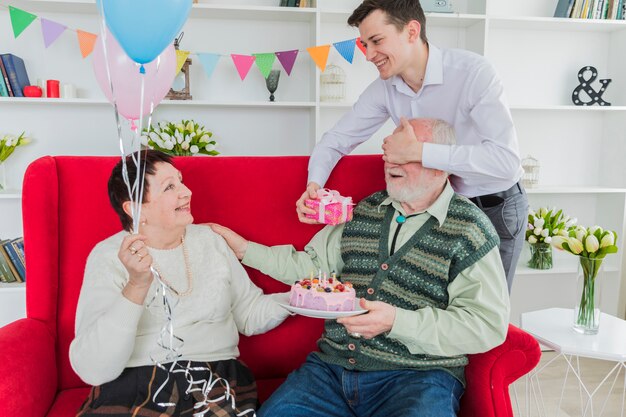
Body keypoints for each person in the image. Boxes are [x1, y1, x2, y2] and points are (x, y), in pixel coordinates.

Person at [211, 118, 510, 417]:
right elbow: (311, 268)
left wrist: (396, 321)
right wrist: (244, 249)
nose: (390, 162)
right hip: (331, 369)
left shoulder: (469, 229)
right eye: (391, 154)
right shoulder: (365, 211)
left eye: (405, 156)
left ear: (440, 164)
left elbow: (486, 324)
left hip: (418, 376)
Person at [296, 0, 527, 292]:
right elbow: (335, 140)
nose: (368, 55)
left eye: (376, 41)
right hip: (439, 208)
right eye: (364, 44)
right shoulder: (385, 89)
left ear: (411, 31)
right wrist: (313, 186)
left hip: (496, 203)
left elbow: (505, 161)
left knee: (484, 317)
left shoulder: (473, 73)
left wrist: (418, 153)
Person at [69, 150, 290, 417]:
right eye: (170, 187)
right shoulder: (108, 256)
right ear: (136, 208)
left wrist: (300, 299)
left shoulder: (211, 241)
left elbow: (249, 313)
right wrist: (136, 286)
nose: (187, 192)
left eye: (181, 181)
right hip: (133, 382)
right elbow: (93, 367)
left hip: (214, 378)